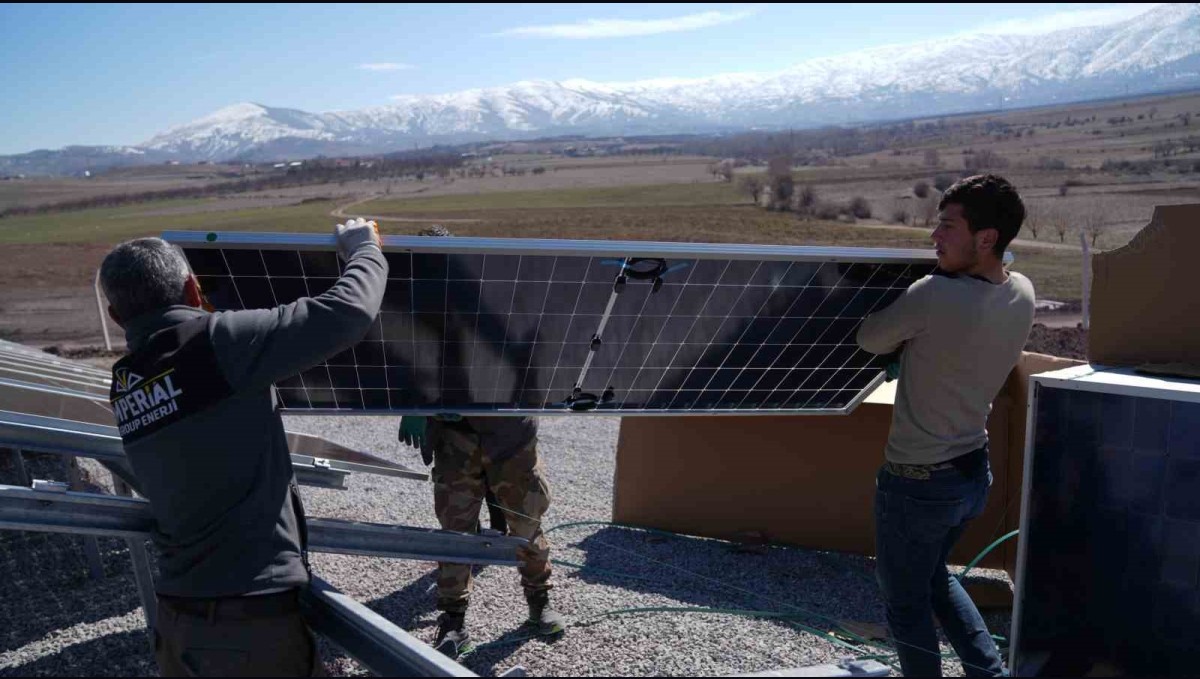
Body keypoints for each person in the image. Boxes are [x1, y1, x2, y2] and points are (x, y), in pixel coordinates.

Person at [101, 218, 387, 676]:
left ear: (116, 317)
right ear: (194, 291)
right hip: (248, 626)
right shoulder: (218, 343)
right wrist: (364, 250)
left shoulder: (126, 384)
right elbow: (348, 312)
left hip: (179, 624)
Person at [856, 174, 1034, 677]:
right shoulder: (1022, 292)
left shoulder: (934, 295)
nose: (934, 237)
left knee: (906, 606)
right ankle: (989, 673)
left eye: (947, 226)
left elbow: (869, 338)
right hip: (970, 476)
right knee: (934, 578)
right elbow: (995, 287)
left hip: (917, 482)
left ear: (986, 239)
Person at [397, 226, 563, 660]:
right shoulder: (413, 308)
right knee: (454, 532)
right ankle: (452, 623)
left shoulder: (500, 299)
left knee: (525, 524)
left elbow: (529, 362)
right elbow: (407, 362)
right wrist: (416, 402)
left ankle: (538, 605)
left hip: (508, 436)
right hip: (455, 440)